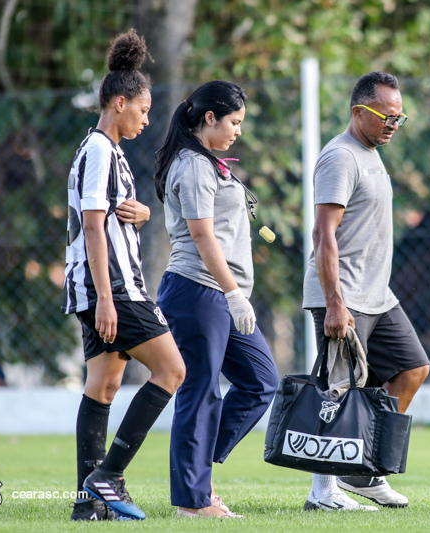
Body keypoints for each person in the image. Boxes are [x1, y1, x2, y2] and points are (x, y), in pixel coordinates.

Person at [61, 29, 185, 521]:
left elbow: (107, 216)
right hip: (111, 288)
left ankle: (87, 503)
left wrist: (142, 215)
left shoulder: (107, 153)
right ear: (118, 103)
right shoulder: (97, 151)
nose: (146, 118)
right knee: (171, 370)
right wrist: (107, 300)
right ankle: (108, 476)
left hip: (99, 287)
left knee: (104, 386)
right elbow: (92, 226)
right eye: (143, 109)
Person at [302, 71, 430, 511]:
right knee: (336, 391)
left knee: (412, 368)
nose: (393, 124)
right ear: (358, 112)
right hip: (344, 296)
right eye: (385, 116)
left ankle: (364, 470)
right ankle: (323, 493)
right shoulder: (340, 157)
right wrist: (335, 303)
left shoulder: (371, 151)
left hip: (378, 295)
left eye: (399, 117)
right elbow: (324, 235)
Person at [154, 81, 279, 518]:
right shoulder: (191, 165)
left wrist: (236, 295)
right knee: (201, 390)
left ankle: (197, 473)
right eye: (234, 122)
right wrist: (232, 293)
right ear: (210, 118)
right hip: (198, 291)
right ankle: (193, 500)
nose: (238, 131)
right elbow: (202, 235)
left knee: (261, 381)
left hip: (223, 295)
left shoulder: (210, 163)